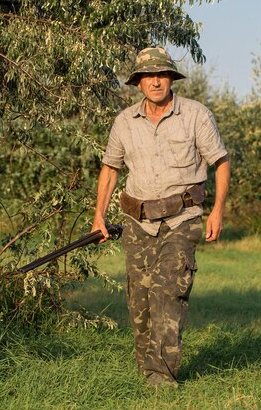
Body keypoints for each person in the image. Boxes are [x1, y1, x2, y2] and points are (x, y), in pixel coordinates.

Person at [91, 47, 230, 388]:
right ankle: (147, 370)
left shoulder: (196, 115)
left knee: (168, 293)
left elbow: (221, 163)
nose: (156, 81)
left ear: (171, 78)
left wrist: (217, 211)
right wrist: (98, 217)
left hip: (182, 220)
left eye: (162, 74)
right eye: (148, 75)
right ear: (138, 83)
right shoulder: (124, 122)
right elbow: (110, 170)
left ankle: (161, 378)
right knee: (139, 305)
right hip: (138, 225)